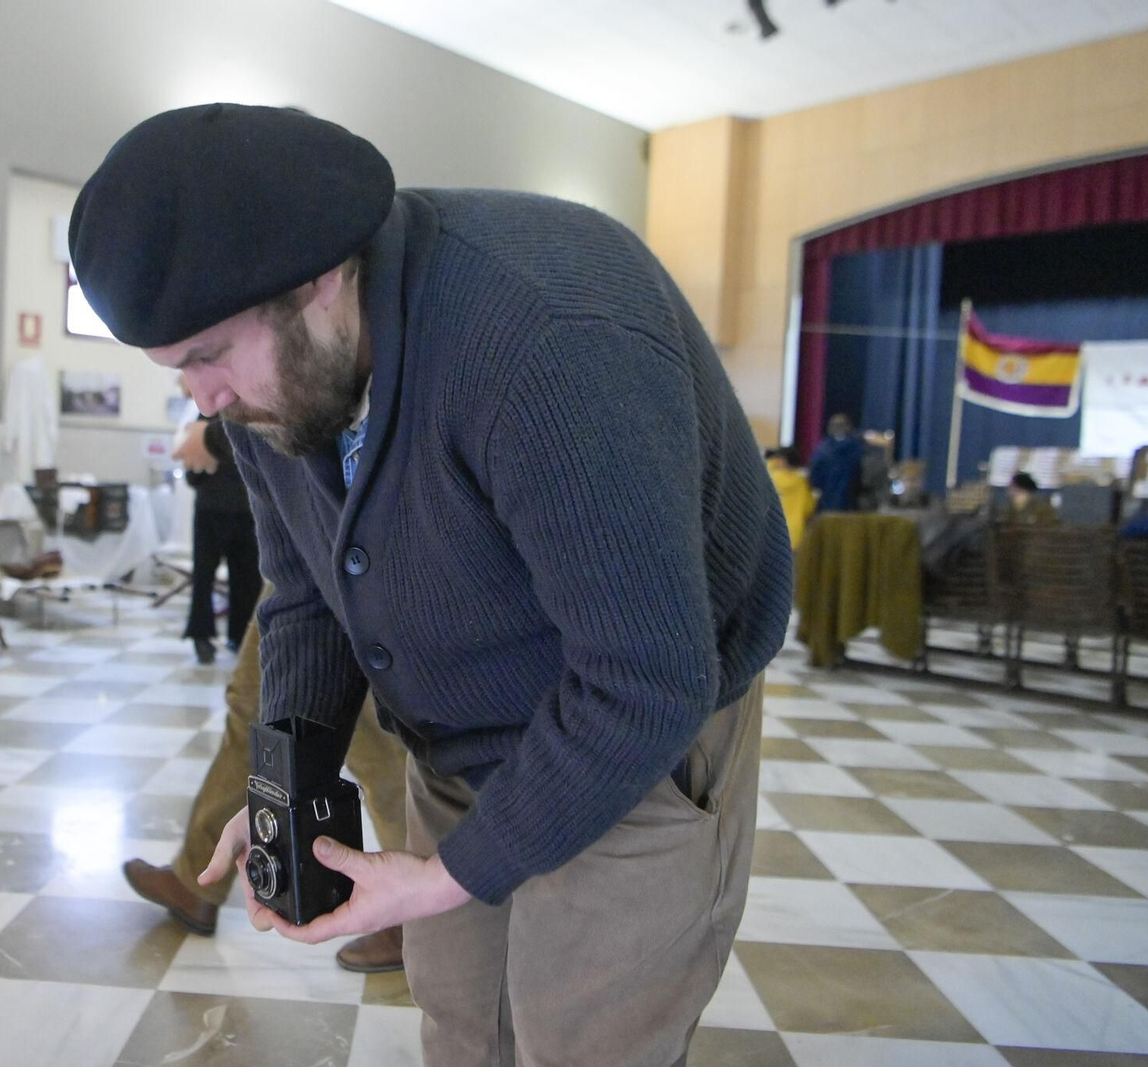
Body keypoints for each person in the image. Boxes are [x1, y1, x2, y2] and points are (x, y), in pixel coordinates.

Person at [71, 105, 792, 1066]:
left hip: (637, 747)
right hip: (455, 735)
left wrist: (451, 873)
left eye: (207, 356)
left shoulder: (550, 334)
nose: (204, 403)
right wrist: (292, 774)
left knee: (580, 1039)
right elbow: (302, 592)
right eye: (176, 372)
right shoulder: (271, 379)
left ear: (319, 276)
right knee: (463, 1026)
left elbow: (647, 678)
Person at [122, 604, 409, 972]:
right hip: (298, 560)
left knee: (370, 739)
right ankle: (200, 876)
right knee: (258, 713)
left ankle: (416, 915)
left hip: (355, 562)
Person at [172, 411, 262, 664]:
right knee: (231, 578)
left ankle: (219, 637)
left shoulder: (210, 416)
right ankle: (234, 637)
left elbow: (193, 475)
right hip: (229, 510)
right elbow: (193, 472)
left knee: (220, 577)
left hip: (227, 510)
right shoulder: (229, 414)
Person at [807, 412, 866, 512]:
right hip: (848, 500)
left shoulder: (822, 449)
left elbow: (814, 476)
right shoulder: (857, 448)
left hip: (829, 499)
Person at [766, 446, 816, 550]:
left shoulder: (770, 478)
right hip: (795, 533)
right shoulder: (801, 482)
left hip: (772, 531)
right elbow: (809, 507)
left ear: (782, 461)